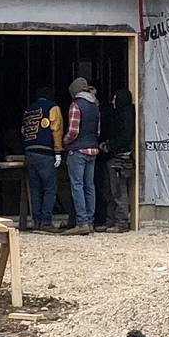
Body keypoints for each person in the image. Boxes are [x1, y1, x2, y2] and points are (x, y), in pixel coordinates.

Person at [62, 76, 102, 235]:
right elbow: (97, 131)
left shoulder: (75, 106)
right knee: (89, 186)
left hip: (78, 151)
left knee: (77, 186)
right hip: (92, 149)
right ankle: (90, 222)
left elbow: (73, 131)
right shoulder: (95, 106)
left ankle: (82, 222)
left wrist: (65, 142)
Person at [20, 86, 63, 232]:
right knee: (50, 188)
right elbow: (56, 129)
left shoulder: (28, 110)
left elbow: (23, 130)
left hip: (30, 152)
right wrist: (58, 151)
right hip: (45, 153)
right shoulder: (53, 107)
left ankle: (36, 222)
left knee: (35, 189)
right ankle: (46, 222)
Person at [99, 88, 135, 232]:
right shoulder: (121, 114)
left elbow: (125, 138)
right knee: (110, 191)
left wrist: (110, 145)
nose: (113, 101)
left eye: (115, 98)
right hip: (114, 156)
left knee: (119, 191)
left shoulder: (125, 115)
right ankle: (111, 220)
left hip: (120, 157)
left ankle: (121, 222)